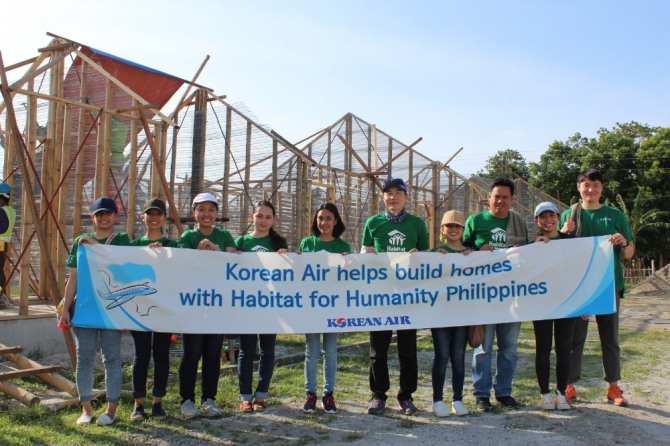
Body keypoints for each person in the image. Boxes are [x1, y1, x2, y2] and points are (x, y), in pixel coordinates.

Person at [560, 169, 634, 407]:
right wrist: (564, 234)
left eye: (595, 185)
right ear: (579, 187)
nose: (590, 189)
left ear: (602, 188)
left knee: (610, 338)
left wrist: (623, 243)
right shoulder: (569, 215)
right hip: (579, 286)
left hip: (608, 286)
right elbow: (560, 252)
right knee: (574, 338)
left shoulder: (614, 215)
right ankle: (569, 385)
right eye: (586, 184)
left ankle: (613, 387)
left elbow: (630, 253)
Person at [58, 197, 130, 426]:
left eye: (108, 213)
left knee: (112, 359)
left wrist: (95, 246)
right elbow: (74, 277)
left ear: (115, 217)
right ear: (93, 217)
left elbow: (121, 267)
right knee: (85, 358)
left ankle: (111, 410)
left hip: (111, 308)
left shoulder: (121, 240)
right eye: (99, 214)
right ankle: (86, 409)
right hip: (85, 308)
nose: (104, 217)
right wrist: (66, 310)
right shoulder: (81, 241)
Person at [361, 178, 429, 415]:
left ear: (406, 198)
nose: (393, 197)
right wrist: (366, 252)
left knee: (408, 350)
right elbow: (364, 252)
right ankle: (378, 395)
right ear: (383, 197)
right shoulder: (373, 222)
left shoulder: (417, 224)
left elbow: (425, 256)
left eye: (398, 193)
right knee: (377, 350)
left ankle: (406, 395)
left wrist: (417, 255)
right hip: (380, 296)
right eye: (388, 193)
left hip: (407, 297)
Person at [462, 178, 528, 412]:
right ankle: (481, 394)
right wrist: (477, 251)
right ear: (488, 198)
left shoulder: (518, 222)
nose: (500, 201)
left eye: (505, 197)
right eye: (496, 196)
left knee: (509, 347)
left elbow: (529, 256)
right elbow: (461, 250)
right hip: (483, 295)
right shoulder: (475, 221)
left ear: (512, 200)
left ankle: (504, 392)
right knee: (483, 347)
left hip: (511, 295)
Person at [177, 192, 237, 419]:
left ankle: (209, 399)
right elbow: (182, 261)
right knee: (191, 353)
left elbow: (234, 261)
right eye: (201, 209)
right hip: (193, 303)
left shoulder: (224, 236)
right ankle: (187, 400)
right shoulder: (188, 237)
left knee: (213, 353)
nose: (206, 214)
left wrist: (215, 249)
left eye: (211, 210)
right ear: (194, 213)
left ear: (216, 214)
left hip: (216, 304)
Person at [235, 200, 288, 413]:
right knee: (246, 350)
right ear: (251, 217)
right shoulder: (241, 242)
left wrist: (288, 259)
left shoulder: (279, 242)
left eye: (268, 217)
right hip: (246, 304)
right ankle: (245, 396)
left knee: (268, 350)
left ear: (274, 220)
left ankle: (262, 395)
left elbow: (287, 273)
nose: (263, 221)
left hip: (270, 305)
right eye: (259, 216)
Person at [298, 203, 352, 414]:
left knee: (330, 351)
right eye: (320, 218)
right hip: (312, 306)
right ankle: (310, 394)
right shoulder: (307, 243)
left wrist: (349, 266)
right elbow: (298, 272)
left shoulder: (343, 247)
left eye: (328, 218)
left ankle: (328, 394)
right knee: (311, 351)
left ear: (336, 221)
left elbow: (348, 278)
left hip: (334, 306)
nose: (324, 223)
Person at [129, 198, 178, 421]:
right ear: (143, 217)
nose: (154, 217)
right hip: (139, 309)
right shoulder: (132, 246)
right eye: (150, 214)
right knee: (141, 356)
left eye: (158, 214)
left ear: (164, 218)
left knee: (161, 355)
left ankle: (158, 403)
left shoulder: (173, 246)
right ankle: (138, 404)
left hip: (163, 309)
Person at [531, 202, 577, 411]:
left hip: (566, 303)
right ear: (536, 220)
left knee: (564, 350)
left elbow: (580, 270)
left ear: (559, 218)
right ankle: (545, 393)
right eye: (543, 216)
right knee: (543, 348)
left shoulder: (571, 242)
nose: (548, 220)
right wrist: (535, 247)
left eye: (552, 216)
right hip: (541, 304)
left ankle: (561, 393)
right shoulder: (532, 245)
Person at [430, 210, 470, 417]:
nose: (453, 229)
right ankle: (437, 400)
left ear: (463, 230)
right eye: (449, 226)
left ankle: (457, 399)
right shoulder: (435, 253)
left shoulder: (470, 254)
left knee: (458, 356)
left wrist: (473, 257)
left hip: (462, 314)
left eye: (457, 226)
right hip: (440, 314)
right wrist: (433, 259)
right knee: (442, 355)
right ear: (442, 229)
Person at [0, 181, 15, 308]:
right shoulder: (10, 210)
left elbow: (1, 227)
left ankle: (2, 296)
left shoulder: (2, 212)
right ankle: (2, 295)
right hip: (3, 244)